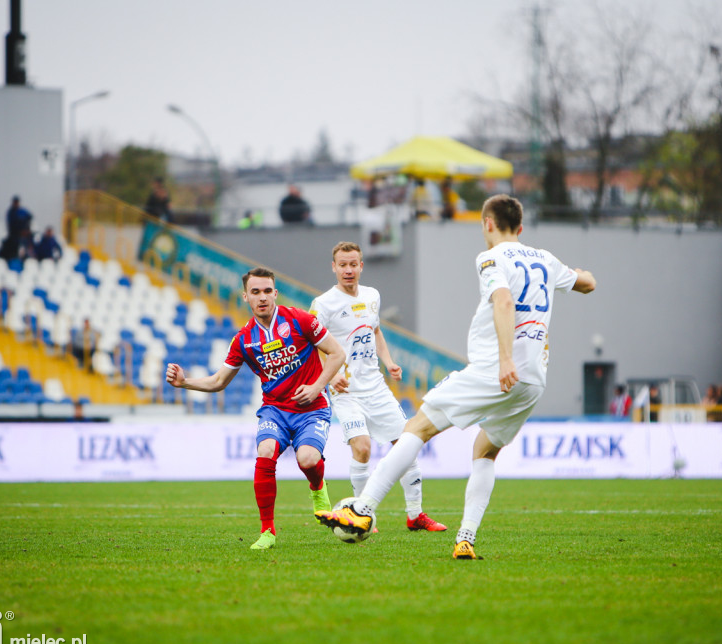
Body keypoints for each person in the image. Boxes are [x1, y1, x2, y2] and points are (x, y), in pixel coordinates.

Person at [315, 194, 596, 559]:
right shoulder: (545, 259)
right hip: (533, 381)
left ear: (487, 224)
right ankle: (465, 538)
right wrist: (580, 274)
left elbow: (504, 301)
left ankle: (363, 508)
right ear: (521, 228)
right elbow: (586, 283)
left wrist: (506, 359)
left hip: (496, 370)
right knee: (485, 449)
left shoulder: (491, 257)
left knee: (417, 428)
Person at [166, 266, 346, 550]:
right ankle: (267, 531)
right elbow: (218, 381)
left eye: (266, 291)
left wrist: (316, 387)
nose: (262, 297)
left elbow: (337, 353)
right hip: (274, 409)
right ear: (245, 297)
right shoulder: (244, 340)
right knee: (265, 452)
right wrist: (184, 382)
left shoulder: (301, 320)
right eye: (255, 292)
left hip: (312, 407)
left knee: (308, 459)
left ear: (275, 293)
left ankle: (317, 488)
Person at [310, 241, 447, 532]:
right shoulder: (323, 304)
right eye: (342, 265)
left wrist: (389, 361)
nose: (348, 270)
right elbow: (311, 344)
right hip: (345, 392)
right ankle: (362, 515)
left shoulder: (372, 296)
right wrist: (330, 375)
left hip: (376, 387)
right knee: (362, 448)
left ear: (361, 265)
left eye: (353, 264)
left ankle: (415, 515)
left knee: (407, 445)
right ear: (334, 267)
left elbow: (375, 331)